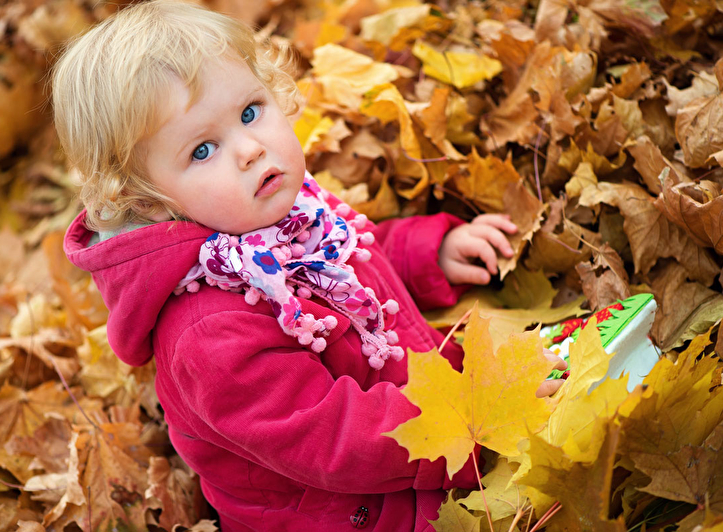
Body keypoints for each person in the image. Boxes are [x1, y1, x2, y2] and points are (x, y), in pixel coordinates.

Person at [54, 1, 564, 530]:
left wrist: (427, 255)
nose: (250, 149)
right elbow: (335, 436)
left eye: (250, 112)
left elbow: (347, 261)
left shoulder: (274, 215)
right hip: (358, 508)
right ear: (147, 201)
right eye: (203, 150)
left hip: (417, 425)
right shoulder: (207, 332)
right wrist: (474, 418)